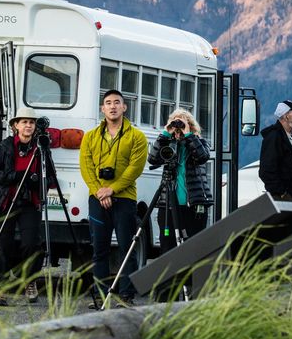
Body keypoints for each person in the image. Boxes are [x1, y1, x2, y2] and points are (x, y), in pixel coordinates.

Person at [80, 89, 148, 306]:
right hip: (97, 199)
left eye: (117, 102)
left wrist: (113, 189)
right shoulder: (90, 136)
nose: (112, 106)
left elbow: (135, 168)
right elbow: (86, 167)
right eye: (108, 103)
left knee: (126, 248)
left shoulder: (136, 136)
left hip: (125, 199)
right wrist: (100, 191)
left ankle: (126, 296)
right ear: (102, 108)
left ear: (124, 107)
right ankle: (101, 296)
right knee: (99, 248)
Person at [0, 107, 48, 305]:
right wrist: (15, 177)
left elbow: (50, 177)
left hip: (29, 201)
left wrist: (37, 181)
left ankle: (30, 281)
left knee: (31, 244)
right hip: (5, 201)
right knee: (3, 245)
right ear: (15, 126)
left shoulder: (41, 148)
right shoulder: (4, 147)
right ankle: (0, 290)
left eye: (31, 122)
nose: (28, 125)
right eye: (24, 122)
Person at [147, 109, 214, 250]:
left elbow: (202, 157)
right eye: (175, 124)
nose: (178, 129)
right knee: (168, 246)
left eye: (182, 124)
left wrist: (188, 134)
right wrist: (165, 133)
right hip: (169, 206)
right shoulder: (167, 144)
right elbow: (152, 159)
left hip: (194, 206)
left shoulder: (200, 142)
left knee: (193, 248)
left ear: (190, 125)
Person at [259, 100, 292, 201]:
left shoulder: (291, 137)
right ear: (286, 116)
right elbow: (266, 171)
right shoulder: (273, 137)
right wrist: (282, 193)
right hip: (281, 197)